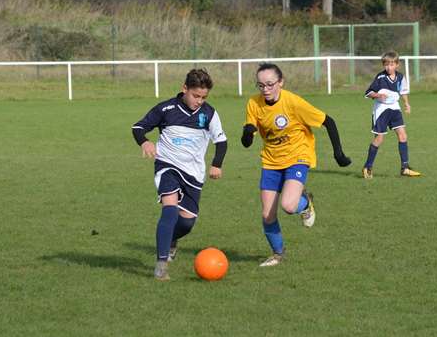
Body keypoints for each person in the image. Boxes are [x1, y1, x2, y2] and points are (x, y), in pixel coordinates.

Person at [241, 63, 352, 267]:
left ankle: (305, 203)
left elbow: (329, 121)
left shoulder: (293, 102)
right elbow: (246, 142)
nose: (265, 89)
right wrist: (247, 132)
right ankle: (278, 254)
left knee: (289, 206)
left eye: (270, 84)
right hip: (271, 161)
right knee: (267, 215)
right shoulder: (254, 103)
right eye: (260, 85)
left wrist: (339, 154)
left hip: (297, 156)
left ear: (281, 82)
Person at [132, 69, 227, 281]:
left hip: (194, 173)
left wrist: (217, 164)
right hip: (168, 166)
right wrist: (144, 142)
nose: (199, 101)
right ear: (185, 89)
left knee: (186, 223)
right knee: (170, 210)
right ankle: (161, 264)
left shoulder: (209, 113)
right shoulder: (165, 109)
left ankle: (171, 240)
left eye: (203, 97)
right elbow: (138, 127)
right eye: (196, 95)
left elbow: (221, 141)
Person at [361, 50, 422, 179]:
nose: (389, 67)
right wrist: (378, 95)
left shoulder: (400, 77)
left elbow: (403, 91)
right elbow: (368, 92)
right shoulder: (380, 78)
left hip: (394, 107)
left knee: (403, 136)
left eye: (392, 64)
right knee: (379, 139)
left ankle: (405, 168)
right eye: (386, 65)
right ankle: (368, 166)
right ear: (383, 65)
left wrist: (406, 104)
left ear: (397, 65)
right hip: (381, 109)